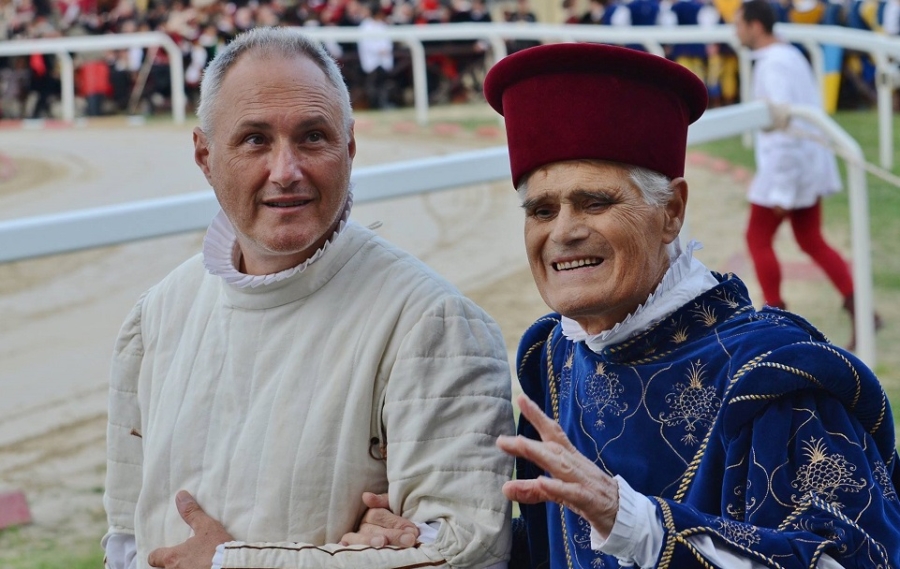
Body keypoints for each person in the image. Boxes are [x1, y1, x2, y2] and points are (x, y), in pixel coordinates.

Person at [355, 42, 900, 568]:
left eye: (595, 202)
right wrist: (432, 538)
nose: (563, 232)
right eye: (542, 210)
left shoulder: (777, 378)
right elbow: (558, 550)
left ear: (672, 211)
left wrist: (637, 523)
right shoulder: (553, 357)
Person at [101, 26, 514, 569]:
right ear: (205, 155)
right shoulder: (156, 316)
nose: (286, 171)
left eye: (312, 137)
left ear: (349, 147)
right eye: (255, 140)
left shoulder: (433, 325)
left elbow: (468, 554)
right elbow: (125, 539)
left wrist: (230, 563)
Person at [735, 0, 879, 349]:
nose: (734, 31)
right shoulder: (787, 55)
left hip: (790, 169)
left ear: (755, 26)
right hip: (804, 165)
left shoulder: (774, 64)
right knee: (810, 238)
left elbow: (785, 126)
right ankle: (861, 310)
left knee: (757, 237)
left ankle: (775, 318)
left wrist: (783, 190)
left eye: (738, 24)